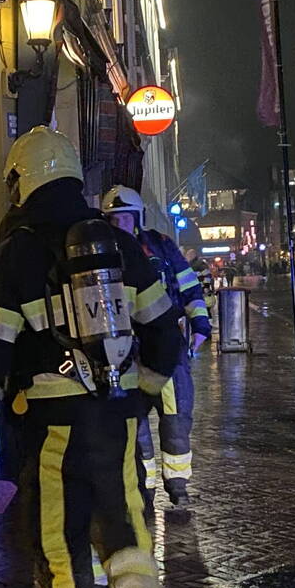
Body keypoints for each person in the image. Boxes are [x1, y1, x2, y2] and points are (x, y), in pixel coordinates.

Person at [0, 126, 179, 588]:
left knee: (59, 546)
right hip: (117, 420)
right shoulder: (120, 244)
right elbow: (165, 333)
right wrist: (141, 393)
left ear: (21, 181)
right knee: (126, 534)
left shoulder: (15, 255)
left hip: (54, 428)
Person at [101, 185, 211, 507]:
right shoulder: (104, 252)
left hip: (168, 348)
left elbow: (189, 287)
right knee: (135, 427)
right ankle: (143, 489)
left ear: (136, 218)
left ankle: (177, 484)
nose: (120, 225)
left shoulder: (161, 246)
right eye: (113, 219)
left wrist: (201, 326)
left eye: (124, 218)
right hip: (127, 353)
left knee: (176, 418)